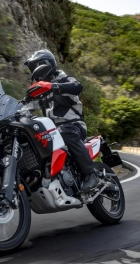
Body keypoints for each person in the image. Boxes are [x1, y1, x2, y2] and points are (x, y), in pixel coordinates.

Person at [24, 49, 99, 193]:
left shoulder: (65, 80)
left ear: (47, 65)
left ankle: (91, 174)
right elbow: (25, 107)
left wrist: (53, 86)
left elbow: (78, 87)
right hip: (53, 132)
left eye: (37, 67)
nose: (35, 72)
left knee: (64, 131)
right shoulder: (40, 91)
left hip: (74, 126)